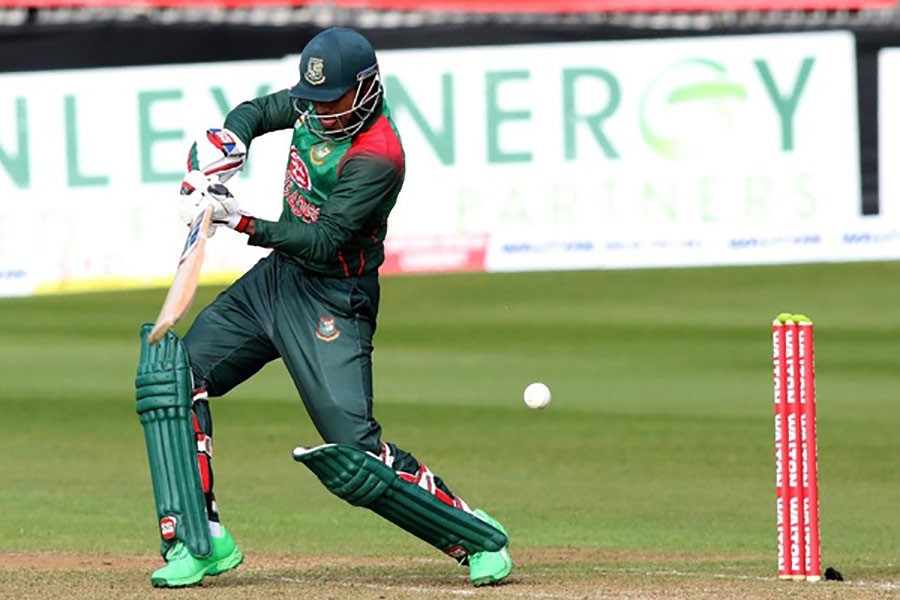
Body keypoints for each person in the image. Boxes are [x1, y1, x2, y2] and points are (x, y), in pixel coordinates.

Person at [134, 26, 512, 589]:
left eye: (334, 101)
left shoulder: (378, 155)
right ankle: (199, 538)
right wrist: (228, 148)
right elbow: (256, 112)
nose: (322, 113)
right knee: (171, 379)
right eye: (314, 101)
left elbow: (323, 241)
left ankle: (474, 535)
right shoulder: (314, 105)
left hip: (334, 298)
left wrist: (237, 219)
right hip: (276, 282)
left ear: (366, 88)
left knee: (354, 458)